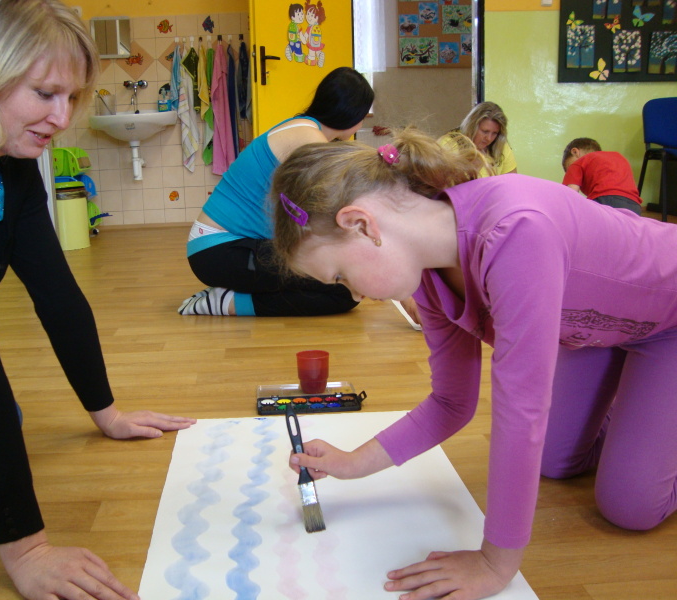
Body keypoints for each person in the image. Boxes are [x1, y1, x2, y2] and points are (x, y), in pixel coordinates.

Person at [268, 126, 677, 600]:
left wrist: (495, 562)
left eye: (340, 275)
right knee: (556, 461)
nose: (354, 294)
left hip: (669, 321)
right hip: (597, 334)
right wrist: (353, 462)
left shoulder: (517, 230)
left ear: (361, 224)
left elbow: (522, 412)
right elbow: (451, 402)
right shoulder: (428, 276)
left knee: (629, 506)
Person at [0, 1, 195, 599]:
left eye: (71, 97)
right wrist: (29, 550)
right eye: (46, 93)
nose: (62, 117)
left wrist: (108, 414)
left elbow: (58, 296)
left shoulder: (8, 164)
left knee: (4, 421)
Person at [178, 66, 374, 317]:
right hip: (222, 252)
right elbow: (333, 214)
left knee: (341, 276)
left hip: (220, 251)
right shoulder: (310, 141)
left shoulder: (301, 127)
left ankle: (231, 295)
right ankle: (226, 303)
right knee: (343, 291)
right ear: (353, 114)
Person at [561, 137, 643, 215]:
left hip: (606, 200)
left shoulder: (578, 163)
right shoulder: (618, 157)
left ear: (575, 152)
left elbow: (571, 195)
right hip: (634, 205)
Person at [439, 101, 517, 177]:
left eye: (495, 133)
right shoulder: (448, 144)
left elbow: (512, 181)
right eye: (485, 131)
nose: (489, 138)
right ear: (471, 126)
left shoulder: (501, 146)